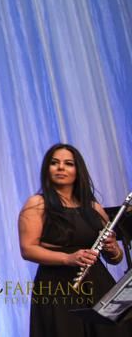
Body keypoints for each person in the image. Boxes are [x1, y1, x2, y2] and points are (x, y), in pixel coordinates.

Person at [18, 143, 128, 337]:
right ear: (47, 169)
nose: (61, 167)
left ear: (78, 170)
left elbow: (115, 259)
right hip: (58, 287)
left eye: (68, 163)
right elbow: (28, 249)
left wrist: (113, 250)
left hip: (98, 285)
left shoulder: (94, 207)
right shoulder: (37, 203)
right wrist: (67, 258)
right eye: (54, 163)